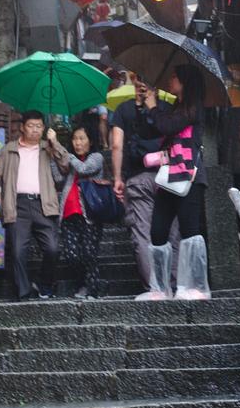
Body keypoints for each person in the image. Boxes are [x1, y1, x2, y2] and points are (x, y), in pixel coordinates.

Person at [137, 64, 211, 301]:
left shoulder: (194, 108)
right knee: (158, 230)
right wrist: (144, 106)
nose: (170, 80)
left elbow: (166, 125)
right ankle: (160, 288)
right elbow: (151, 131)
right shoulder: (177, 108)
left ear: (185, 81)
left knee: (190, 230)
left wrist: (154, 107)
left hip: (190, 177)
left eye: (174, 77)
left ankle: (196, 286)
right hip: (169, 177)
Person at [111, 72, 179, 291]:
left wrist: (117, 178)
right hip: (168, 177)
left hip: (138, 177)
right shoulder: (167, 109)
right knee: (172, 231)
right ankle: (175, 285)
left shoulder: (123, 110)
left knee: (142, 233)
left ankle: (155, 289)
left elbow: (116, 146)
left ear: (133, 81)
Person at [0, 110, 60, 301]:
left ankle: (44, 285)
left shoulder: (48, 148)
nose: (35, 130)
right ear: (22, 127)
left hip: (44, 204)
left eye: (39, 126)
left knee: (52, 248)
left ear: (44, 128)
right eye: (31, 126)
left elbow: (65, 164)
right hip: (18, 205)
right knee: (18, 251)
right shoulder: (8, 149)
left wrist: (55, 142)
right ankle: (24, 293)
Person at [50, 124, 105, 298]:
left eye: (82, 138)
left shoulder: (97, 157)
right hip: (68, 214)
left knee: (89, 253)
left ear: (90, 141)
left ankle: (93, 288)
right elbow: (58, 178)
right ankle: (86, 284)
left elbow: (84, 169)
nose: (78, 142)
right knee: (72, 255)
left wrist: (65, 154)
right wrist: (53, 156)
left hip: (89, 214)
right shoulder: (71, 160)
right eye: (75, 139)